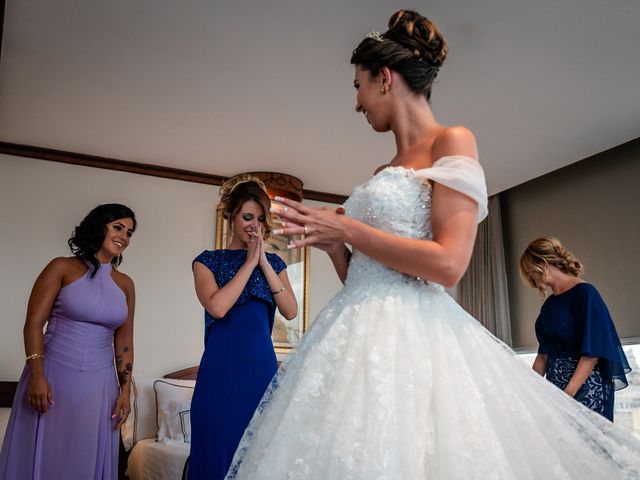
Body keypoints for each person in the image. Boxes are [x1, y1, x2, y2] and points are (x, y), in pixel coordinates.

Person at [225, 9, 640, 479]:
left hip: (416, 336)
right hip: (353, 333)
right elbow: (365, 274)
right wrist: (334, 247)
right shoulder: (382, 172)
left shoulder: (453, 141)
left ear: (384, 79)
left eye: (358, 86)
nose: (357, 103)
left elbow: (450, 264)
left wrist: (349, 230)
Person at [0, 204, 137, 480]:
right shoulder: (62, 267)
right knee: (47, 451)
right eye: (118, 227)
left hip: (99, 386)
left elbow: (124, 341)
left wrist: (124, 391)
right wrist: (37, 375)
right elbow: (33, 324)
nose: (124, 236)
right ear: (100, 226)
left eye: (130, 232)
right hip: (53, 375)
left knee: (84, 455)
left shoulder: (125, 284)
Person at [187, 176, 298, 480]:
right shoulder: (207, 262)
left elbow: (290, 310)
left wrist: (262, 262)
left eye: (260, 219)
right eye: (247, 217)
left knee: (258, 451)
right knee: (215, 450)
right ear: (231, 217)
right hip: (220, 371)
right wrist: (248, 264)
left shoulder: (274, 263)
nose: (254, 225)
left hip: (260, 370)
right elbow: (218, 307)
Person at [519, 236, 630, 421]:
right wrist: (531, 394)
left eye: (531, 272)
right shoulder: (549, 305)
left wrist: (568, 394)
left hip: (586, 388)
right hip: (556, 391)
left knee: (592, 447)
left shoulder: (585, 294)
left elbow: (592, 353)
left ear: (543, 263)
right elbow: (542, 356)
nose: (531, 279)